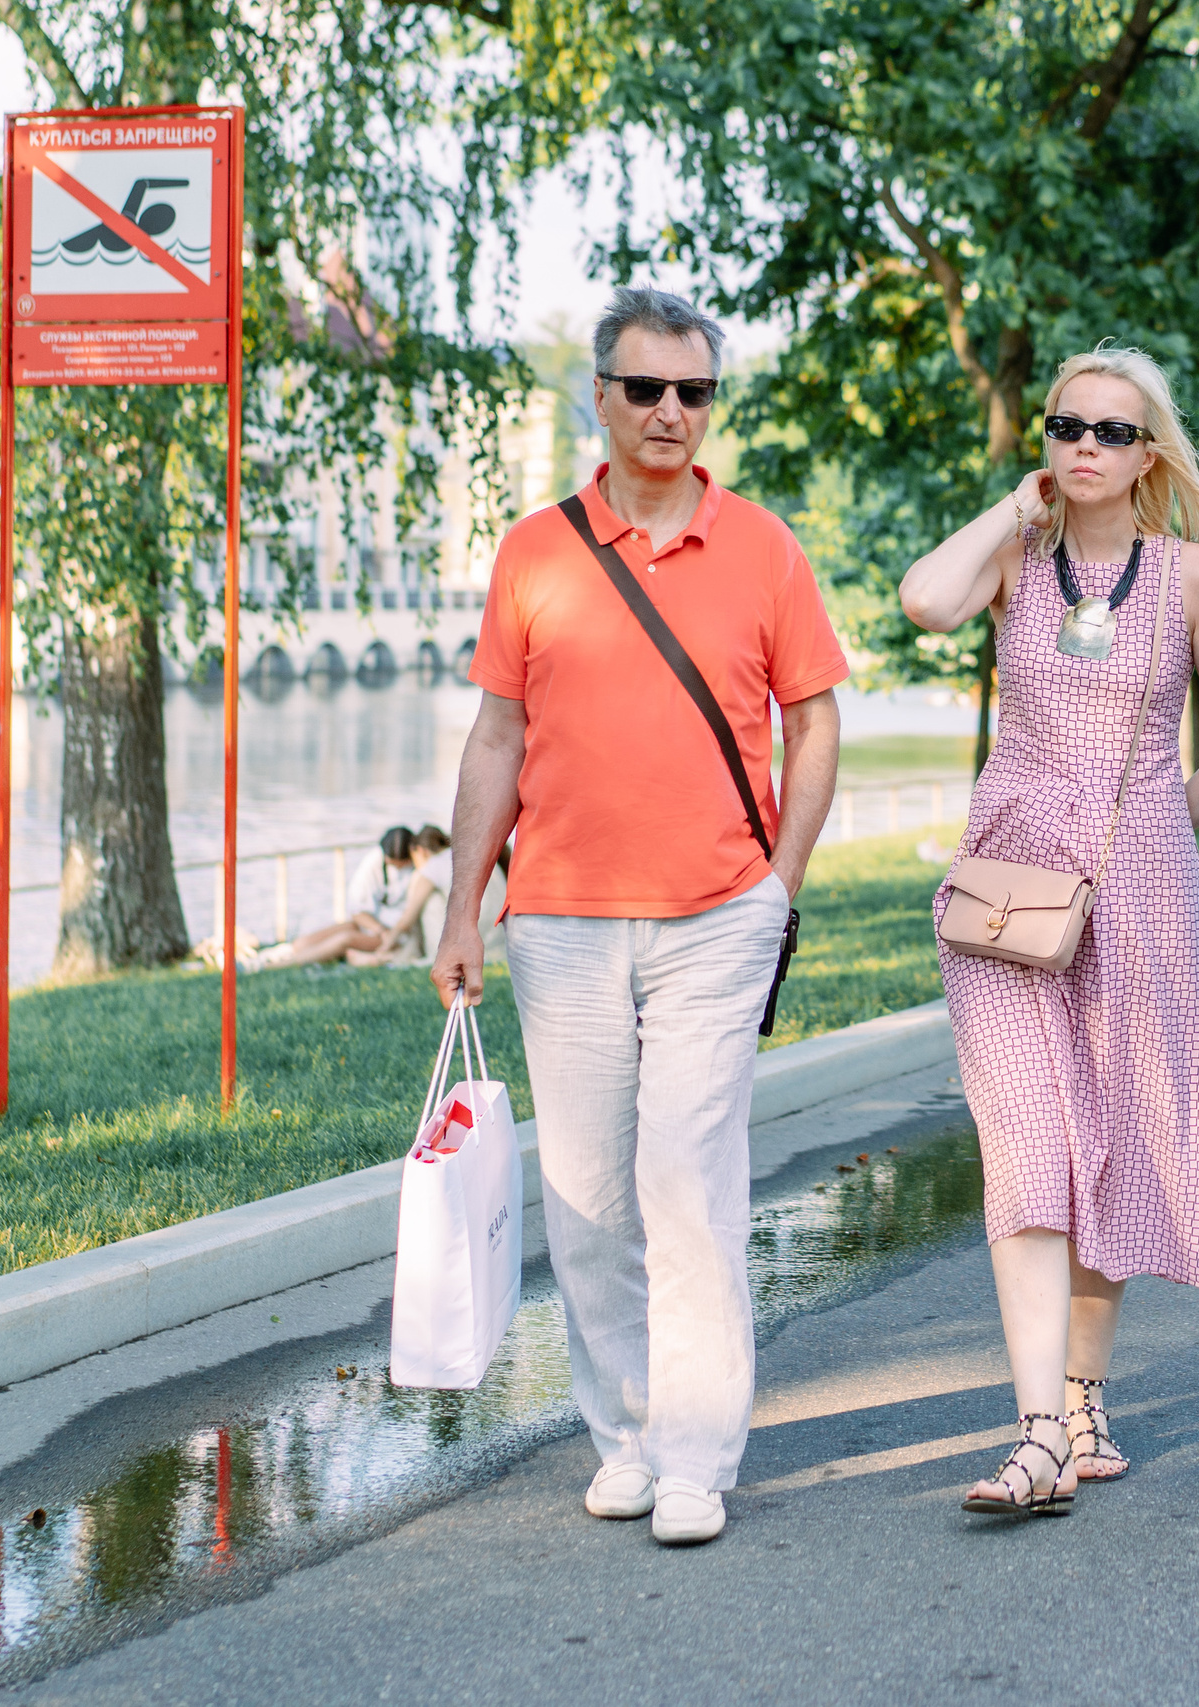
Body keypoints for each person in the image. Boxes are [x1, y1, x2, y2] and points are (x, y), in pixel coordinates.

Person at [430, 286, 847, 1547]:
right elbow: (497, 734)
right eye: (648, 388)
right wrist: (461, 908)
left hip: (719, 914)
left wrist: (783, 876)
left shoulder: (765, 547)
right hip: (555, 920)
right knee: (590, 1197)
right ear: (600, 398)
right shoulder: (533, 552)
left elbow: (815, 719)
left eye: (695, 391)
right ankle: (624, 1433)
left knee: (686, 1177)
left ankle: (698, 1456)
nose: (673, 412)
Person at [900, 346, 1199, 1518]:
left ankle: (1082, 1403)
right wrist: (1012, 508)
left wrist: (1166, 811)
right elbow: (923, 602)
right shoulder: (1016, 557)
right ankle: (1039, 1430)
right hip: (1006, 892)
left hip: (1140, 889)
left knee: (1108, 1145)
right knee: (1027, 1147)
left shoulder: (1197, 575)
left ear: (1149, 452)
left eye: (1110, 431)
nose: (1084, 448)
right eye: (1065, 428)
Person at [263, 826, 442, 969]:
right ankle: (276, 955)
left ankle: (283, 965)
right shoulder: (376, 862)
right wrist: (379, 929)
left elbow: (407, 919)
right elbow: (357, 909)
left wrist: (388, 936)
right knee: (305, 942)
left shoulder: (422, 871)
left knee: (345, 938)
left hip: (397, 935)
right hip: (378, 927)